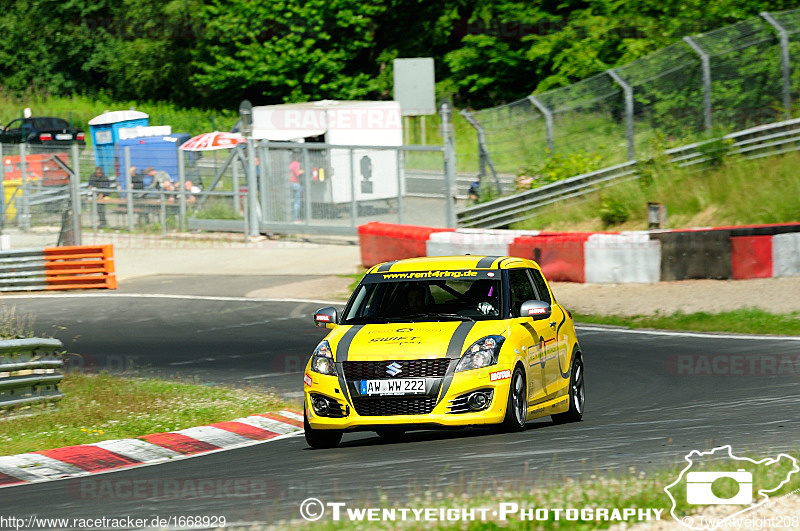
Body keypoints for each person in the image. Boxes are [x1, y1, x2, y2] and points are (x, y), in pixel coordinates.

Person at [289, 156, 303, 222]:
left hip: (290, 183)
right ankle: (296, 218)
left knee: (291, 200)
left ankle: (290, 217)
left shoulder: (290, 164)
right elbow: (297, 173)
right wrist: (303, 171)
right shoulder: (297, 164)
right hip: (296, 183)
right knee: (297, 202)